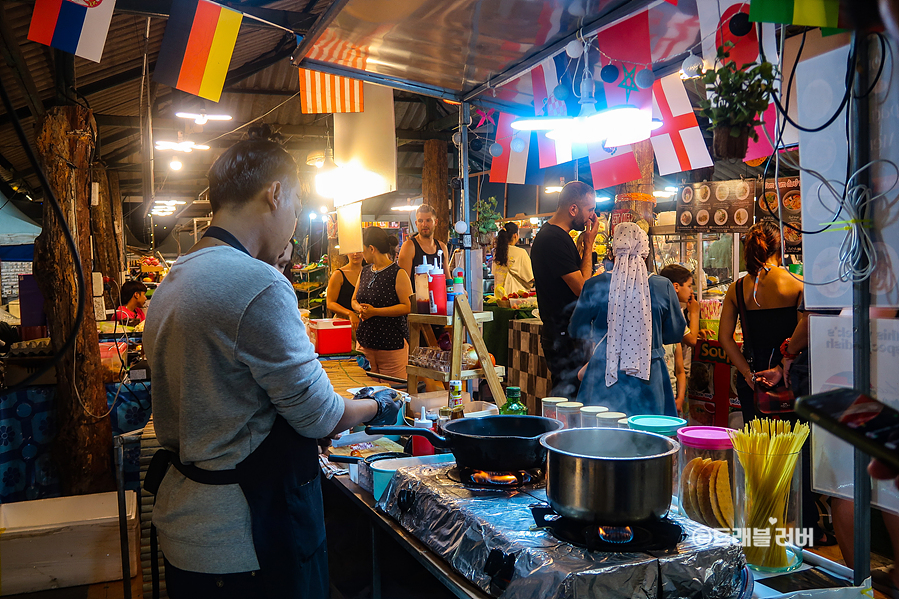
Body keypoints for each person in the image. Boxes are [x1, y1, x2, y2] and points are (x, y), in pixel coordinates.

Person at [142, 127, 402, 599]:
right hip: (245, 539)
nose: (294, 224)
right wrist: (376, 404)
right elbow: (319, 415)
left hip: (190, 526)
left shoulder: (177, 277)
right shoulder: (254, 283)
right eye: (297, 209)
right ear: (276, 193)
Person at [569, 223, 686, 416]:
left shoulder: (593, 285)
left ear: (613, 253)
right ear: (645, 253)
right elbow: (674, 334)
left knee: (602, 435)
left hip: (604, 373)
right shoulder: (663, 286)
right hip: (650, 373)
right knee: (648, 438)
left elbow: (576, 329)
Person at [717, 220, 803, 424]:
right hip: (789, 374)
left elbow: (724, 338)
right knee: (790, 443)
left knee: (755, 443)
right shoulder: (797, 283)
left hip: (752, 378)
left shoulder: (736, 289)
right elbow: (803, 332)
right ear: (779, 248)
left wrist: (747, 373)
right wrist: (782, 366)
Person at [531, 181, 600, 399]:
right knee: (568, 397)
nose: (592, 216)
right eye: (589, 209)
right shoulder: (553, 239)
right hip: (563, 334)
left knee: (571, 393)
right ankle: (561, 432)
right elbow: (582, 288)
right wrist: (589, 245)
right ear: (573, 209)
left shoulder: (559, 237)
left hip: (566, 332)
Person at [353, 227, 413, 380]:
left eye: (363, 249)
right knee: (366, 394)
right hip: (365, 343)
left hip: (391, 345)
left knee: (394, 395)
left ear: (371, 248)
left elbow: (407, 306)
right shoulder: (365, 271)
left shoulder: (397, 273)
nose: (362, 253)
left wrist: (375, 311)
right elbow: (354, 300)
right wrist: (360, 308)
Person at [659, 264, 700, 415]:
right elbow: (691, 339)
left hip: (677, 382)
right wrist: (694, 313)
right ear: (676, 286)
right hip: (671, 382)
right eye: (689, 286)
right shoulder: (672, 312)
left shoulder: (673, 309)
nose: (691, 291)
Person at [397, 204, 450, 290]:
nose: (424, 224)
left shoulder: (442, 247)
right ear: (416, 223)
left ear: (435, 222)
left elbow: (447, 280)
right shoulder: (409, 247)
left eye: (428, 220)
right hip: (417, 300)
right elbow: (403, 283)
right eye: (420, 221)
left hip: (438, 299)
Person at [492, 222, 533, 295]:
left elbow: (493, 271)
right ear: (515, 235)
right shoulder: (521, 252)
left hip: (499, 294)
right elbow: (529, 277)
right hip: (514, 294)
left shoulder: (497, 252)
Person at [326, 251, 363, 330]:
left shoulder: (369, 273)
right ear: (346, 252)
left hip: (363, 322)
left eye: (359, 251)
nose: (355, 254)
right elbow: (330, 303)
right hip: (343, 323)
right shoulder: (338, 274)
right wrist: (349, 313)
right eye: (352, 251)